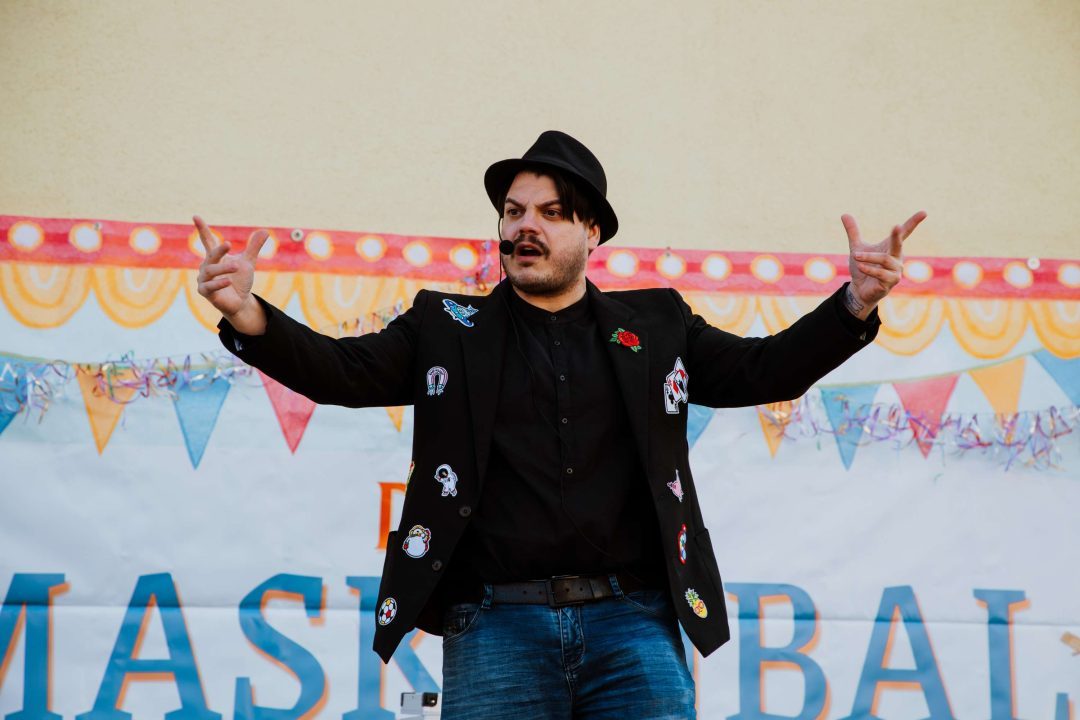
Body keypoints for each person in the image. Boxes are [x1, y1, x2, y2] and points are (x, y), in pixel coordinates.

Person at [195, 130, 924, 719]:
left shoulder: (656, 325)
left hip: (634, 623)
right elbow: (340, 372)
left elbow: (764, 372)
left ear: (592, 230)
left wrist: (853, 304)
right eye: (513, 212)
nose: (525, 227)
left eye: (549, 213)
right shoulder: (446, 327)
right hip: (495, 630)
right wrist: (248, 314)